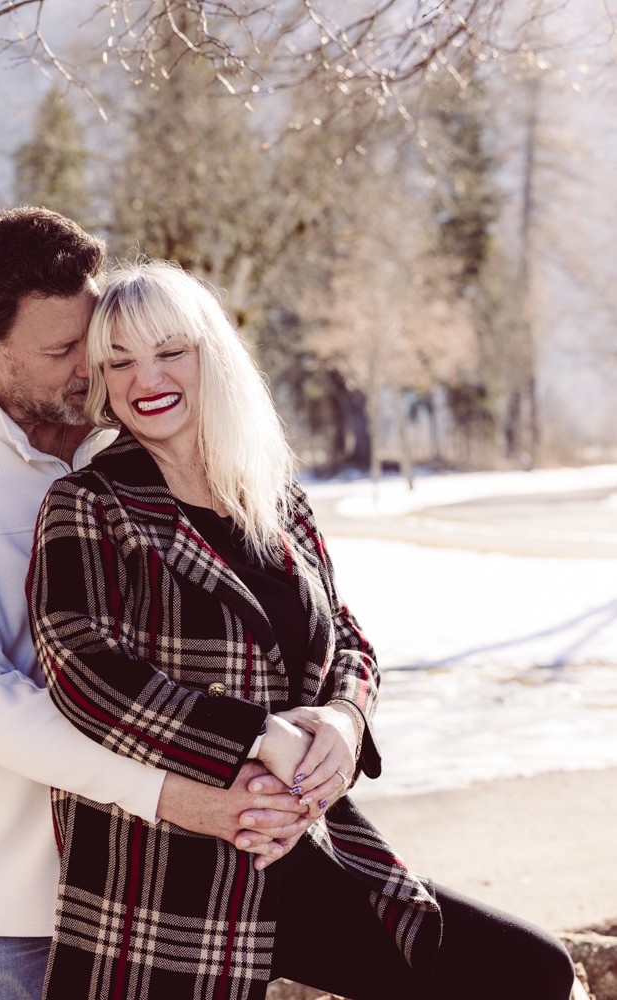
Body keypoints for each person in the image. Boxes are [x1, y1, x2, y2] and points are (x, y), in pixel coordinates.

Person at [28, 257, 576, 999]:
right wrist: (257, 736)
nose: (144, 379)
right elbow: (81, 669)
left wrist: (345, 721)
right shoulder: (90, 503)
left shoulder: (273, 499)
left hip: (301, 839)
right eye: (118, 361)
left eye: (168, 351)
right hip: (172, 873)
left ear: (210, 355)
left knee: (528, 969)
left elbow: (346, 636)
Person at [0, 209, 317, 1000]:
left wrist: (311, 737)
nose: (91, 369)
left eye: (93, 338)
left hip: (151, 881)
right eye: (61, 351)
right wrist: (183, 799)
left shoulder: (135, 436)